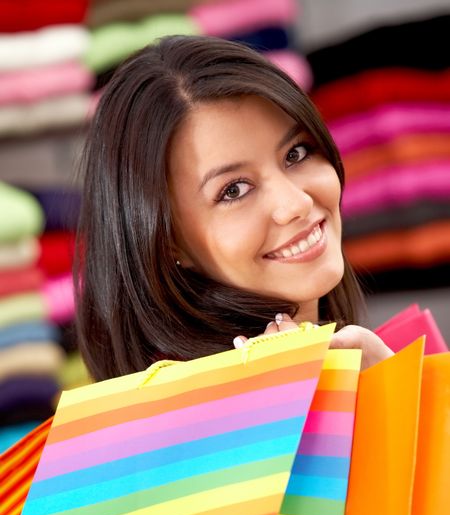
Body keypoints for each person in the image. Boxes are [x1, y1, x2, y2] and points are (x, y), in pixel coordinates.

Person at [74, 34, 393, 381]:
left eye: (296, 154)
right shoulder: (190, 425)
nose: (296, 203)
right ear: (166, 242)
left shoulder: (367, 359)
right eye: (234, 190)